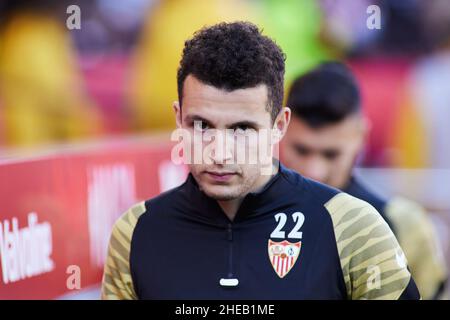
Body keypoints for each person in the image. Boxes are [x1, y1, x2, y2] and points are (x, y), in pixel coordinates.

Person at [102, 22, 419, 300]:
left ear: (279, 126)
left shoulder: (353, 227)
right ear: (178, 118)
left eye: (242, 129)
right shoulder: (136, 232)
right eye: (201, 126)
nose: (219, 153)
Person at [281, 62, 447, 299]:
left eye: (331, 154)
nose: (314, 170)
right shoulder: (242, 210)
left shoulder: (403, 224)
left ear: (361, 137)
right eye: (301, 150)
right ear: (279, 129)